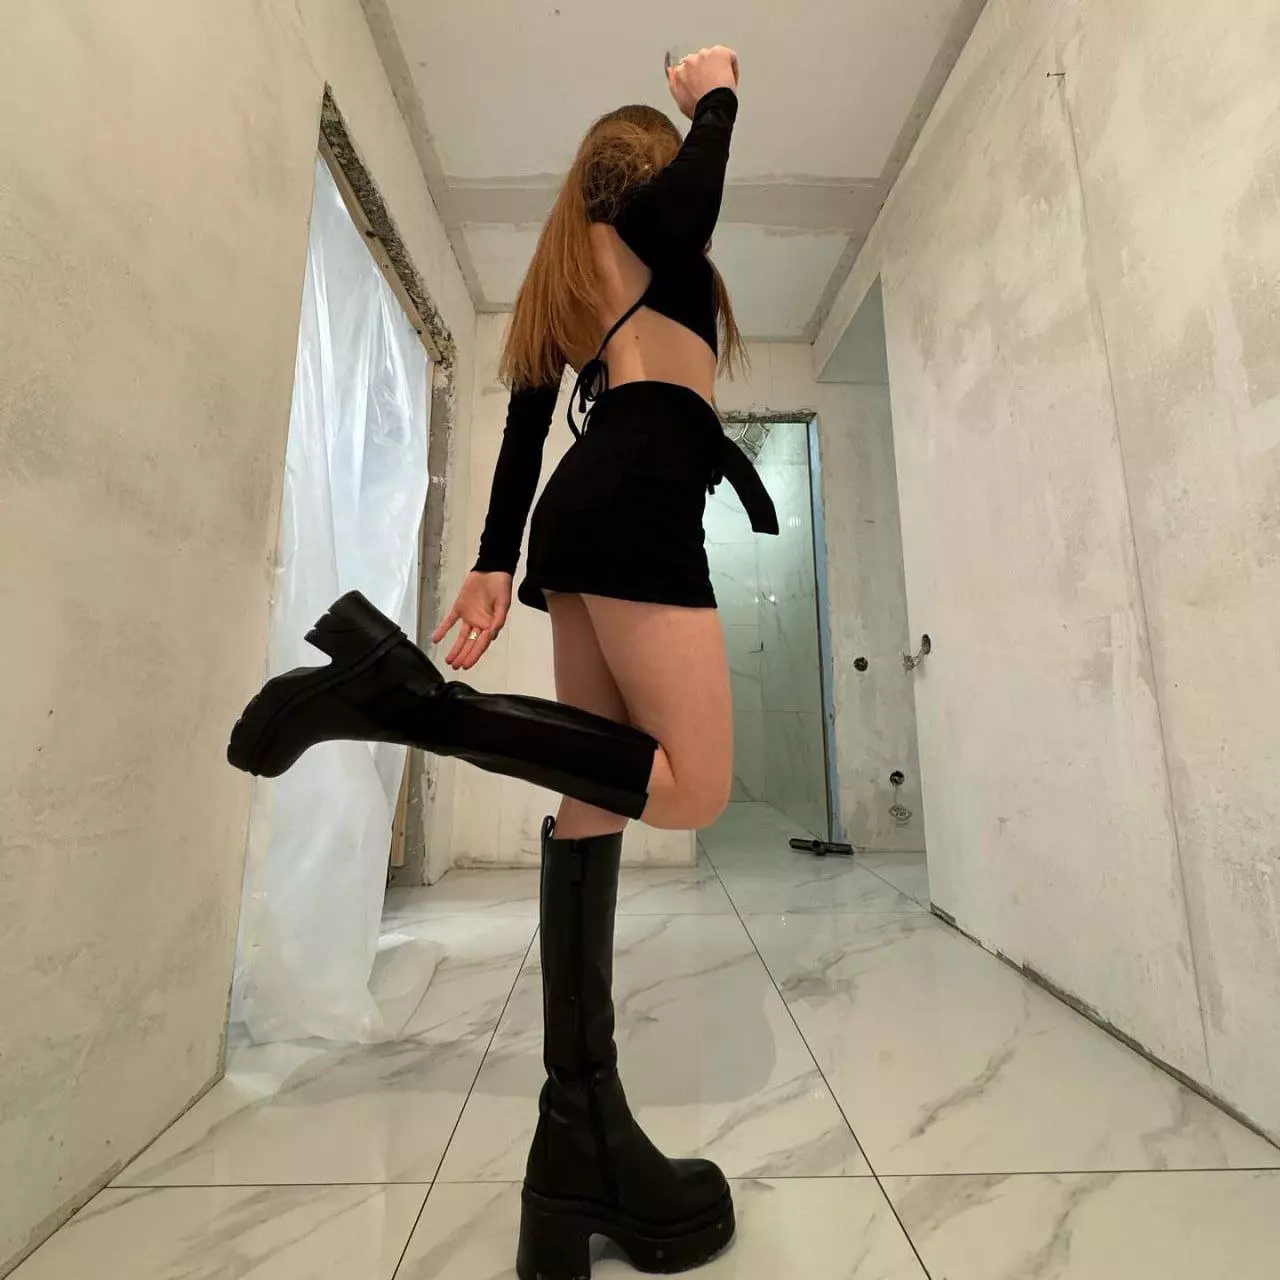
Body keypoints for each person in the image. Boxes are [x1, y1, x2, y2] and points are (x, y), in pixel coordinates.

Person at [227, 45, 776, 1279]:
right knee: (692, 784)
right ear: (638, 169)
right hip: (639, 493)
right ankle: (407, 701)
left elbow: (531, 419)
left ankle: (576, 1141)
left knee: (593, 801)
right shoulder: (653, 220)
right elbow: (688, 206)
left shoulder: (578, 266)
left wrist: (490, 560)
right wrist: (716, 97)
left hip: (595, 499)